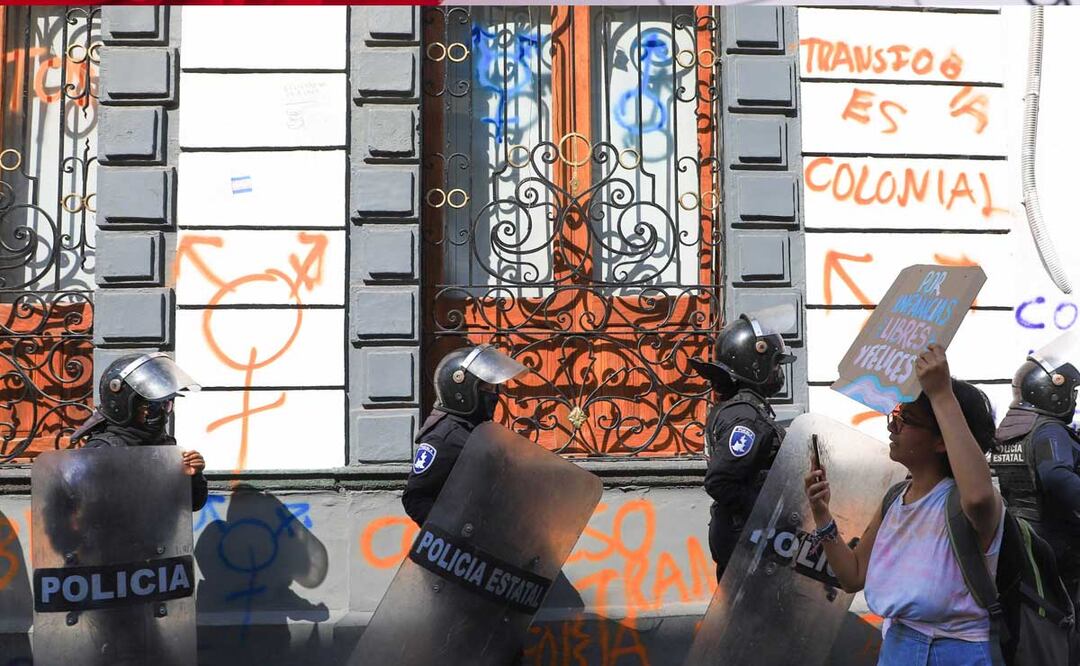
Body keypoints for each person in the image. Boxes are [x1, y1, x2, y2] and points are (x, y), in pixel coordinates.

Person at [804, 344, 1003, 665]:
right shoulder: (895, 499)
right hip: (899, 646)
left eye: (905, 419)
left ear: (941, 440)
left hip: (959, 650)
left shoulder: (969, 501)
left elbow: (979, 497)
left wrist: (941, 394)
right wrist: (822, 514)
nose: (891, 426)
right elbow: (852, 575)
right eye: (893, 415)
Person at [690, 307, 795, 581]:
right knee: (760, 624)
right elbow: (719, 481)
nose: (777, 371)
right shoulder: (746, 420)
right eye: (774, 363)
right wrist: (766, 509)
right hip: (749, 546)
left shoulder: (737, 409)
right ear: (755, 364)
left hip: (746, 543)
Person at [992, 330, 1080, 604]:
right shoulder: (1048, 431)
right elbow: (1056, 478)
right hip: (1058, 544)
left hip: (1022, 539)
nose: (1074, 399)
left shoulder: (1010, 431)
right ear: (1052, 392)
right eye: (1071, 391)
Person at [402, 344, 528, 527]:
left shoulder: (477, 430)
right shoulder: (444, 437)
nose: (494, 396)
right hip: (463, 547)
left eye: (494, 390)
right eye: (488, 390)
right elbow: (415, 498)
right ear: (464, 392)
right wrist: (454, 532)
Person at [71, 352, 207, 511]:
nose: (161, 413)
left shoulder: (165, 449)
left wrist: (193, 475)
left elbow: (192, 504)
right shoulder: (101, 452)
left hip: (156, 536)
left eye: (166, 404)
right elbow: (66, 511)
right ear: (125, 405)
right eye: (153, 405)